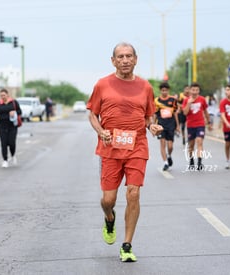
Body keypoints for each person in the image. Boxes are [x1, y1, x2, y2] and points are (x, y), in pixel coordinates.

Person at [87, 42, 163, 262]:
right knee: (108, 199)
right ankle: (109, 218)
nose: (125, 60)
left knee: (134, 193)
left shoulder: (146, 87)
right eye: (120, 57)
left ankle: (127, 245)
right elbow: (93, 114)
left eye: (129, 56)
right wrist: (101, 132)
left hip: (137, 145)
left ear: (136, 59)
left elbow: (149, 115)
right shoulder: (102, 84)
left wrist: (152, 126)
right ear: (113, 61)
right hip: (110, 146)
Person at [182, 82, 213, 171]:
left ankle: (199, 162)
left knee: (199, 141)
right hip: (191, 125)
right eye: (193, 90)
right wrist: (188, 103)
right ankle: (191, 161)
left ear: (199, 91)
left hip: (200, 124)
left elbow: (206, 112)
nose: (195, 92)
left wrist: (209, 122)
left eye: (197, 90)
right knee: (191, 145)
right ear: (190, 90)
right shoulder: (186, 100)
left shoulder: (202, 99)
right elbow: (185, 113)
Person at [154, 81, 180, 171]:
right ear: (160, 91)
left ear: (168, 90)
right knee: (162, 144)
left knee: (170, 146)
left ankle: (169, 156)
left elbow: (176, 113)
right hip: (161, 125)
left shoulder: (173, 100)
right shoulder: (157, 101)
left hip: (171, 125)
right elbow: (155, 114)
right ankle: (165, 163)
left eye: (166, 90)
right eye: (162, 90)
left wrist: (177, 126)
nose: (164, 92)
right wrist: (154, 126)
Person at [0, 88, 22, 168]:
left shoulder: (13, 102)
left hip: (12, 126)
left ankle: (13, 155)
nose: (2, 97)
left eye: (4, 95)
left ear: (7, 95)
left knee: (12, 143)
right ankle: (5, 160)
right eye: (1, 95)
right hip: (2, 126)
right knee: (4, 144)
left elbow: (20, 111)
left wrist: (14, 112)